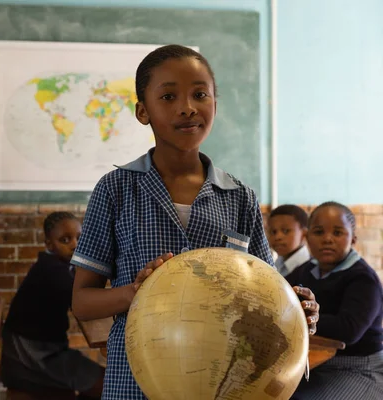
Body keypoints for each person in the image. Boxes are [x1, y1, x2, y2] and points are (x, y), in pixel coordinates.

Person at [70, 45, 320, 399]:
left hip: (224, 383)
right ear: (143, 111)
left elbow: (266, 293)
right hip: (136, 383)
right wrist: (134, 293)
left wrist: (296, 308)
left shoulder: (240, 197)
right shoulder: (116, 189)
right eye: (169, 96)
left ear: (214, 104)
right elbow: (82, 301)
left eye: (200, 94)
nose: (187, 107)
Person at [1, 212, 104, 398]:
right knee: (106, 384)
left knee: (101, 380)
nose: (75, 245)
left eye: (80, 238)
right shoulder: (52, 271)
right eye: (65, 240)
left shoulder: (58, 265)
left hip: (42, 348)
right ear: (49, 244)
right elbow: (87, 302)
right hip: (31, 355)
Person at [287, 202, 383, 400]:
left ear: (353, 238)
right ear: (307, 238)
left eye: (338, 233)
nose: (327, 239)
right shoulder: (304, 271)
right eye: (319, 232)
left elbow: (348, 330)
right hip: (315, 363)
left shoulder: (363, 279)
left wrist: (302, 317)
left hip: (358, 368)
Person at [267, 204, 311, 277]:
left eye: (285, 231)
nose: (277, 237)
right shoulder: (277, 263)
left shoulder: (310, 270)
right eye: (273, 232)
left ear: (303, 234)